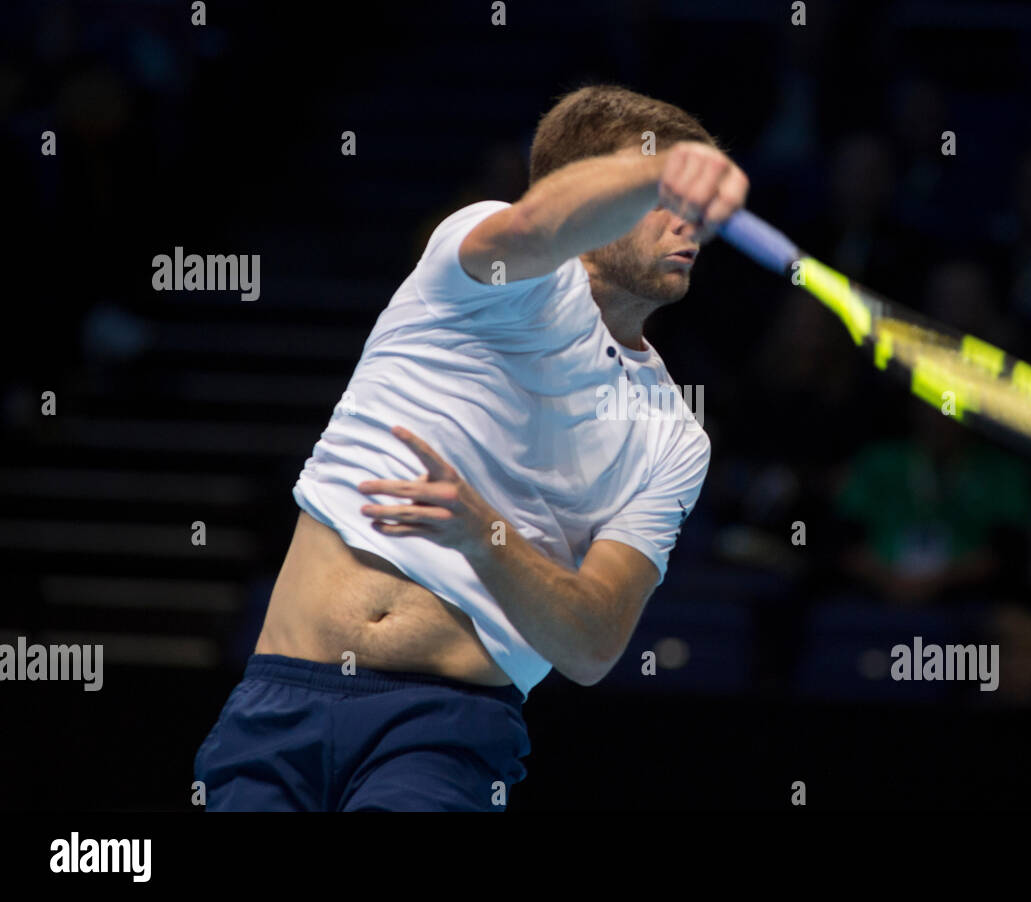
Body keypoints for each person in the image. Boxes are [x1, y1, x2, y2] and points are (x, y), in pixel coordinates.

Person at [193, 85, 747, 811]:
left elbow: (591, 646)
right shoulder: (483, 263)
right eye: (654, 193)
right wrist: (665, 167)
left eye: (690, 202)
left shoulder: (674, 435)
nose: (689, 222)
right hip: (278, 699)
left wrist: (484, 536)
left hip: (446, 735)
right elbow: (539, 225)